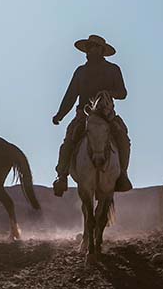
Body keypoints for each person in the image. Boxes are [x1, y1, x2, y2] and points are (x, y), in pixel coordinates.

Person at [52, 34, 132, 196]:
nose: (89, 51)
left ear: (101, 50)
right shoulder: (81, 71)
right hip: (84, 114)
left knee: (123, 137)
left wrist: (108, 93)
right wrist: (60, 114)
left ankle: (122, 174)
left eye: (93, 47)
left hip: (106, 115)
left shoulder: (113, 69)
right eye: (88, 48)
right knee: (70, 139)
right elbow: (71, 95)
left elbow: (122, 93)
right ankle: (62, 176)